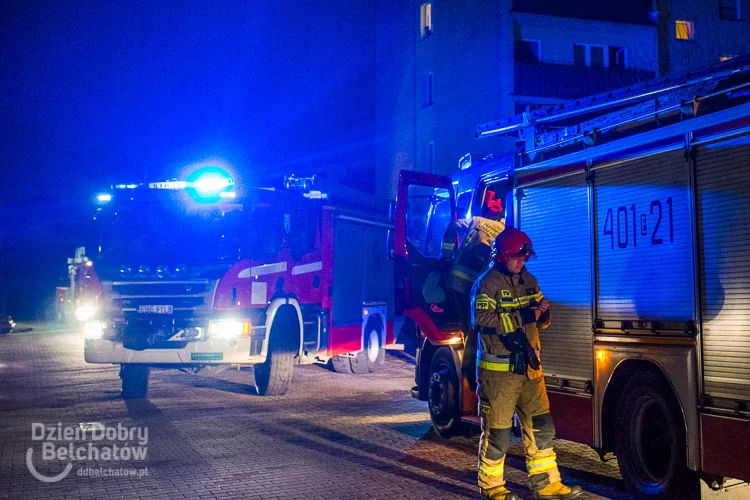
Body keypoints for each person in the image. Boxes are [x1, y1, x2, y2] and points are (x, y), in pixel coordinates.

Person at [470, 228, 583, 500]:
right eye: (517, 258)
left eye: (525, 258)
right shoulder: (487, 284)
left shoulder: (529, 280)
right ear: (502, 257)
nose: (522, 262)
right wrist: (524, 315)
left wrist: (543, 313)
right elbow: (481, 321)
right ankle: (492, 487)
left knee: (542, 428)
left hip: (530, 371)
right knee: (498, 434)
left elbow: (539, 318)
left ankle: (547, 484)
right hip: (499, 375)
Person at [441, 188, 505, 326]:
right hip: (480, 287)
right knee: (475, 325)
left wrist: (447, 256)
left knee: (462, 323)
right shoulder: (505, 231)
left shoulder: (477, 221)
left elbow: (453, 227)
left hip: (456, 283)